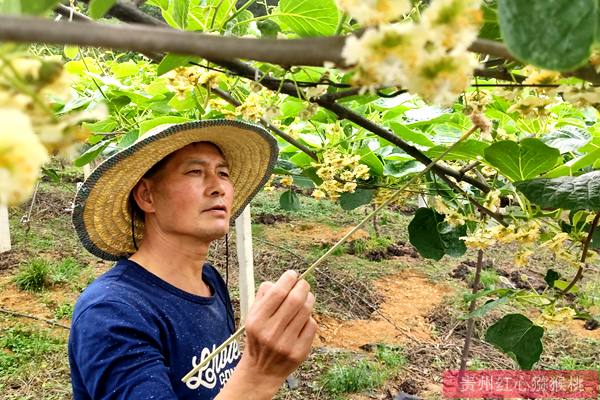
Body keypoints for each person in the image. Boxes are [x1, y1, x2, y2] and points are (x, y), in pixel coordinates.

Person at [69, 120, 317, 400]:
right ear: (146, 196)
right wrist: (260, 373)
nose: (218, 187)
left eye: (223, 173)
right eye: (195, 171)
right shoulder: (112, 313)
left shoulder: (209, 280)